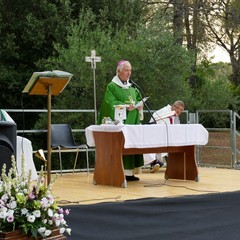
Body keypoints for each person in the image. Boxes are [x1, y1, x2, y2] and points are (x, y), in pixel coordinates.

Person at [97, 60, 144, 181]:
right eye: (126, 70)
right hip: (121, 122)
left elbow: (138, 98)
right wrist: (125, 106)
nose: (129, 73)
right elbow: (109, 103)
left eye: (130, 70)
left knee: (131, 145)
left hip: (133, 121)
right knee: (121, 146)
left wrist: (139, 105)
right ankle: (119, 172)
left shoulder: (132, 87)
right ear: (119, 71)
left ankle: (129, 173)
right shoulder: (112, 86)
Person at [144, 100, 185, 173]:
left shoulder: (174, 114)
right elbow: (155, 122)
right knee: (169, 142)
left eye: (181, 110)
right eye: (177, 108)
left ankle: (171, 163)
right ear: (173, 106)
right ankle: (156, 162)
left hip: (165, 135)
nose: (179, 111)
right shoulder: (164, 111)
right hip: (155, 133)